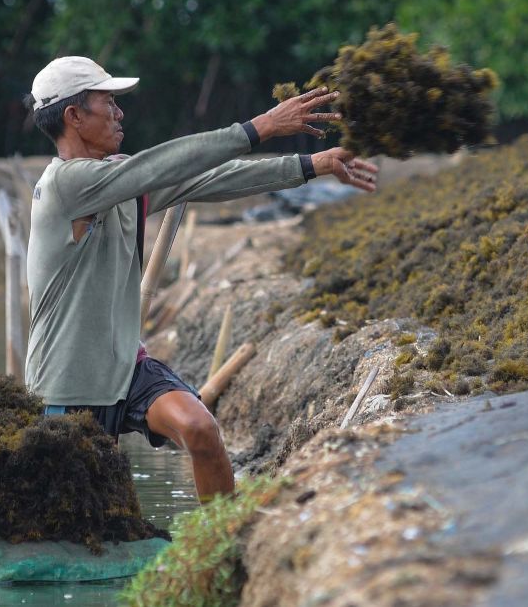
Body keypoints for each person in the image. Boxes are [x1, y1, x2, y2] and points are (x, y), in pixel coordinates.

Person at [22, 56, 378, 502]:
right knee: (83, 514)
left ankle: (220, 543)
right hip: (68, 381)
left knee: (199, 429)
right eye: (108, 102)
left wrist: (313, 164)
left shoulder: (121, 181)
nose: (119, 113)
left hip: (123, 368)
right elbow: (161, 163)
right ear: (74, 116)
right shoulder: (64, 186)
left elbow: (211, 177)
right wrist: (259, 127)